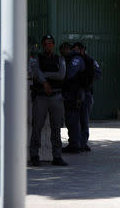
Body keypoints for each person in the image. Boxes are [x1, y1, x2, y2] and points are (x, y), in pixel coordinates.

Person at [29, 35, 68, 166]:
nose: (48, 45)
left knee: (56, 127)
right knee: (37, 127)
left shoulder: (60, 59)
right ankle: (34, 155)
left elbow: (61, 75)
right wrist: (44, 81)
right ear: (42, 45)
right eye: (45, 43)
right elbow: (35, 71)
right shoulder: (36, 59)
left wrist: (44, 76)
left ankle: (57, 156)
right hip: (41, 97)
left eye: (50, 43)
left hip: (56, 97)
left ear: (54, 45)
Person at [72, 42, 102, 152]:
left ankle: (83, 143)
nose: (75, 52)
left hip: (86, 92)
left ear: (82, 50)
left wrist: (87, 79)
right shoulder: (74, 60)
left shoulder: (90, 60)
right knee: (75, 119)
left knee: (84, 119)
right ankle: (76, 143)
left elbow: (98, 73)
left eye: (76, 50)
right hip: (76, 92)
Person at [62, 42, 86, 153]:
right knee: (73, 119)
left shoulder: (75, 59)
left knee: (73, 119)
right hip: (74, 93)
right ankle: (75, 143)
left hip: (74, 93)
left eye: (63, 50)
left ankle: (75, 145)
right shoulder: (75, 58)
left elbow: (70, 74)